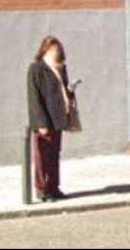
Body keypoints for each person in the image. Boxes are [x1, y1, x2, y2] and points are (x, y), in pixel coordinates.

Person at [26, 35, 80, 201]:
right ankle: (42, 191)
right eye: (52, 49)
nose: (56, 52)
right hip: (44, 121)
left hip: (58, 119)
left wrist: (70, 89)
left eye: (58, 49)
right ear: (45, 50)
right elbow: (34, 98)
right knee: (41, 158)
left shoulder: (60, 68)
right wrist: (41, 122)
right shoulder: (36, 68)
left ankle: (54, 187)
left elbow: (62, 94)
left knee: (54, 155)